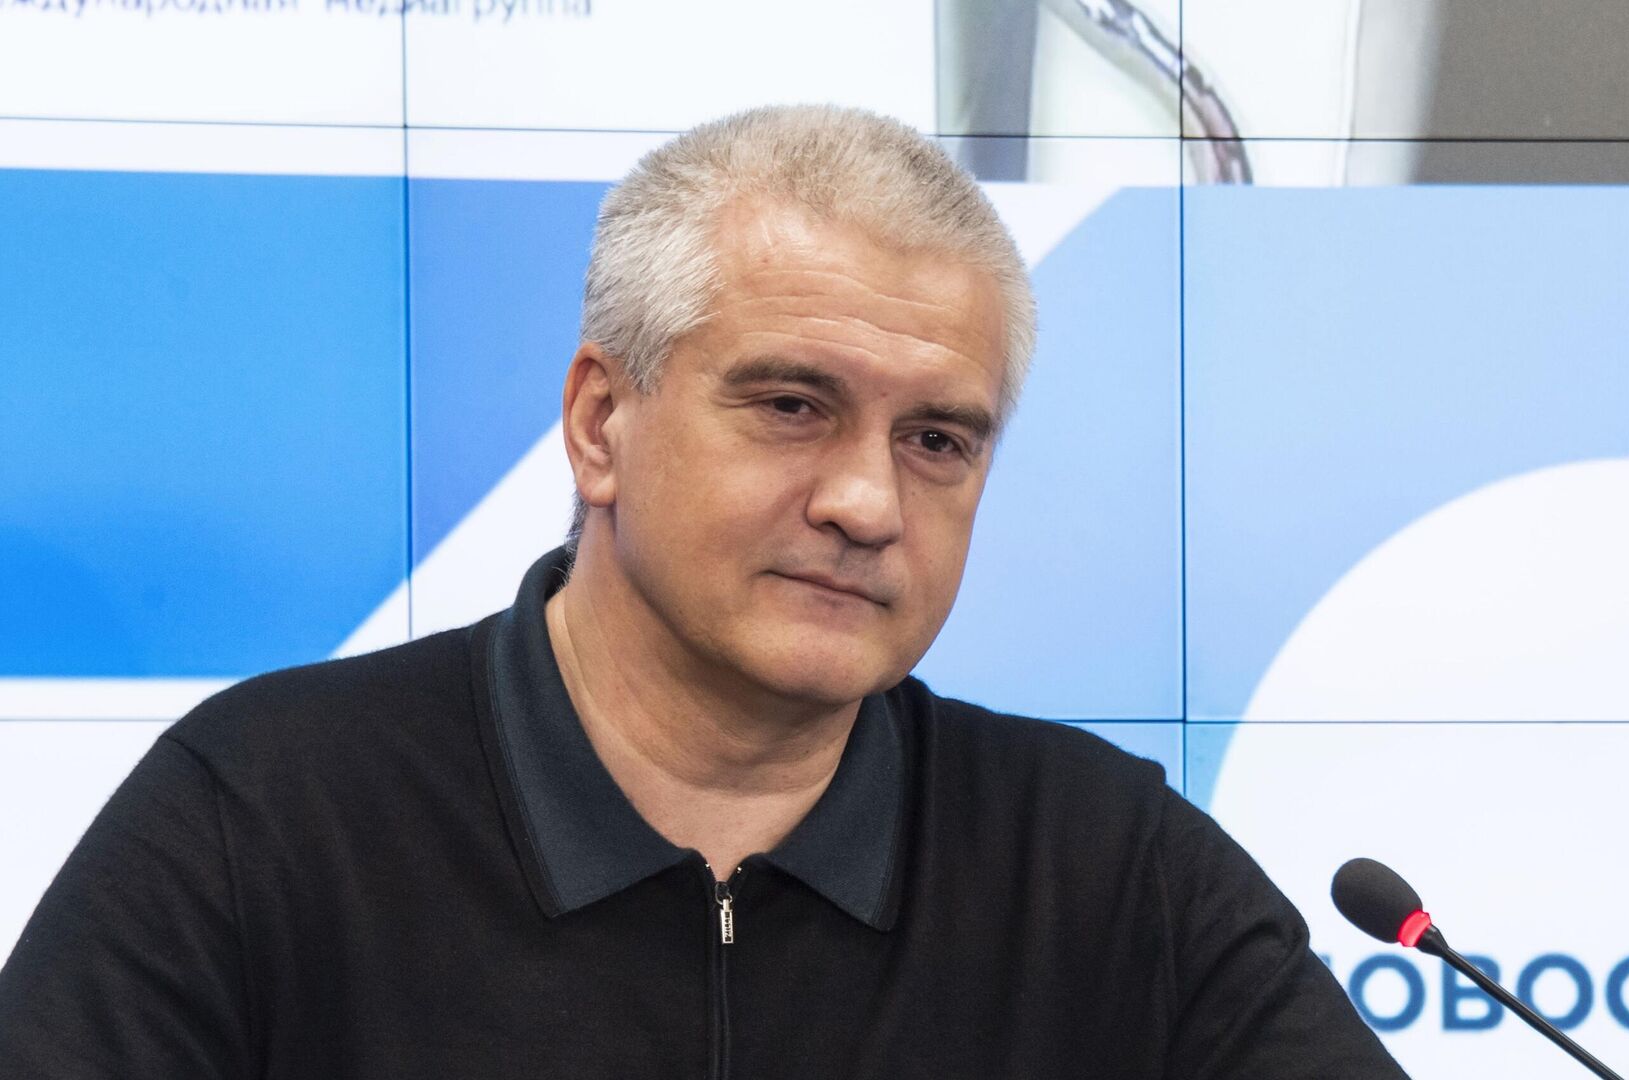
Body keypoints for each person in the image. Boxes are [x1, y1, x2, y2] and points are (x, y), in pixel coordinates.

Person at [0, 105, 1407, 1078]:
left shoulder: (1102, 869)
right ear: (600, 424)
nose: (867, 503)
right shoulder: (262, 819)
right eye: (793, 406)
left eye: (937, 439)